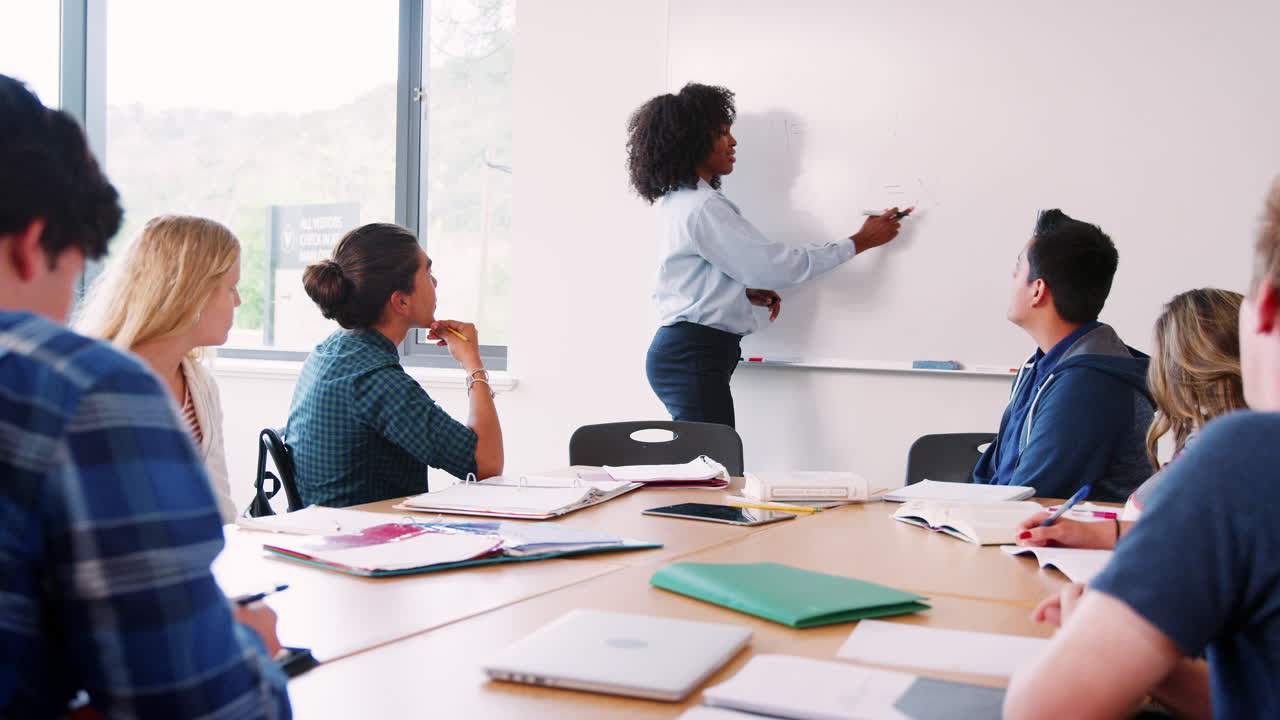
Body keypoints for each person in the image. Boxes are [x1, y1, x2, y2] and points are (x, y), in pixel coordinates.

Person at [0, 74, 289, 718]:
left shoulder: (180, 384)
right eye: (76, 263)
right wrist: (246, 646)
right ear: (32, 244)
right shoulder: (85, 391)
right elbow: (198, 705)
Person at [1004, 179, 1280, 719]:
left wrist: (1098, 638)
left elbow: (1046, 708)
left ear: (1264, 307)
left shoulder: (1247, 457)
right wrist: (1161, 667)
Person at [626, 82, 907, 427]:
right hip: (693, 353)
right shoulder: (702, 206)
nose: (733, 142)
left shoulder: (682, 201)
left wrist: (737, 293)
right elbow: (777, 267)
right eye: (721, 133)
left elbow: (689, 273)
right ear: (690, 140)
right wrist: (860, 241)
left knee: (707, 456)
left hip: (689, 352)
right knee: (713, 458)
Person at [286, 222, 502, 507]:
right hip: (364, 532)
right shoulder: (375, 380)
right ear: (400, 301)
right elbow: (485, 465)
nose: (435, 283)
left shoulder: (329, 352)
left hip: (323, 527)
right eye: (428, 274)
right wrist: (473, 365)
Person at [1015, 288, 1246, 549]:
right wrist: (1086, 532)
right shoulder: (1218, 435)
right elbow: (1176, 529)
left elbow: (1164, 523)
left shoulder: (1230, 444)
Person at [971, 209, 1154, 503]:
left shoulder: (1089, 384)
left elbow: (1030, 496)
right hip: (1005, 522)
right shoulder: (1040, 366)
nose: (1013, 275)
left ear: (1038, 290)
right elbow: (991, 474)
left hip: (1043, 529)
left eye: (1019, 267)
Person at [77, 215, 244, 523]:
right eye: (231, 287)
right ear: (191, 292)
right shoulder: (97, 383)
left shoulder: (200, 384)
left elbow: (220, 506)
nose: (239, 301)